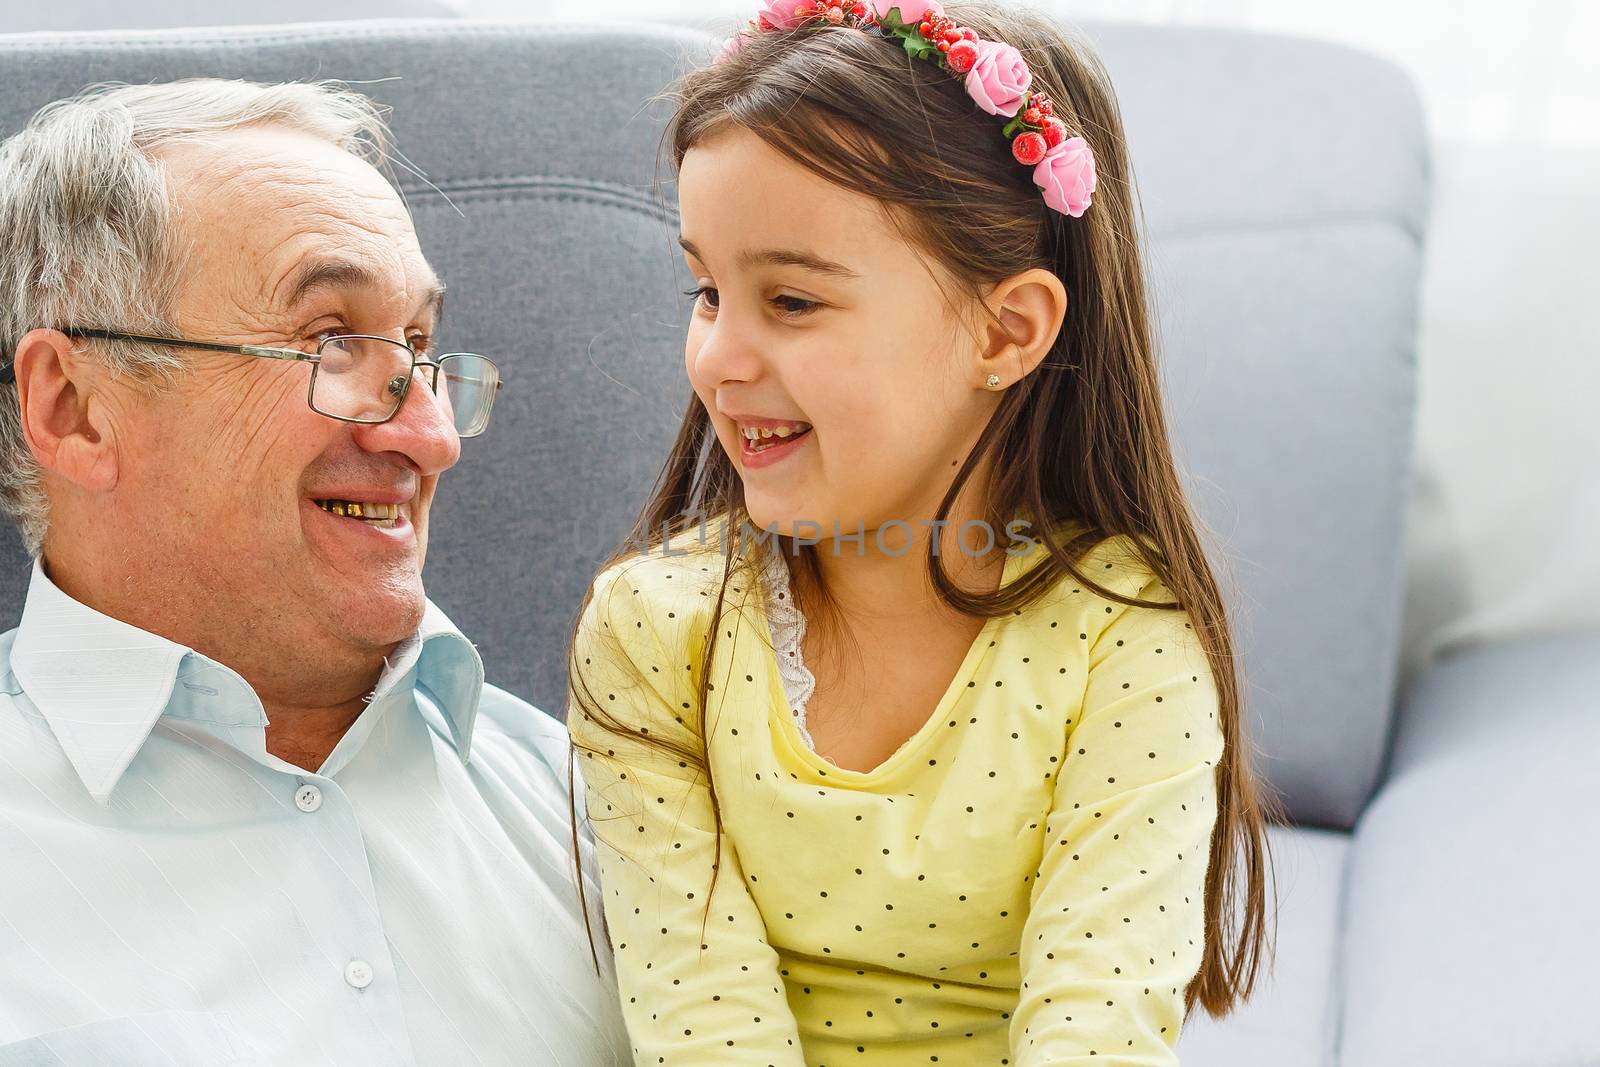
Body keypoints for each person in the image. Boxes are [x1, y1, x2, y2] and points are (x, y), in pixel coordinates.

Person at [566, 2, 1282, 1064]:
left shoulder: (1126, 646)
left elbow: (1096, 1030)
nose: (717, 356)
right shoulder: (653, 633)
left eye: (793, 300)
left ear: (1006, 330)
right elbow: (701, 1017)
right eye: (707, 290)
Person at [0, 79, 628, 1065]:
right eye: (332, 342)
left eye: (418, 348)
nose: (429, 436)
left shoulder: (604, 814)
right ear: (74, 407)